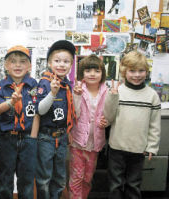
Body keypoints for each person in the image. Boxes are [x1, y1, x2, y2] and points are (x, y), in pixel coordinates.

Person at [104, 50, 161, 199]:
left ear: (146, 72)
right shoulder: (118, 91)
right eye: (132, 71)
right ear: (124, 72)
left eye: (141, 71)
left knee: (133, 184)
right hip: (117, 148)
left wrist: (152, 146)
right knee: (115, 185)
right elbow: (108, 117)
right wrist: (112, 96)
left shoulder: (152, 95)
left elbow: (154, 123)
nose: (137, 75)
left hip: (138, 149)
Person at [0, 45, 39, 199]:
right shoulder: (2, 85)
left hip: (28, 139)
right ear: (6, 66)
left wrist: (32, 137)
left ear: (29, 66)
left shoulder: (34, 85)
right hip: (7, 139)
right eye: (13, 61)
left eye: (23, 61)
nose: (18, 65)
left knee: (26, 182)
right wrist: (10, 102)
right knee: (5, 182)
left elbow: (39, 111)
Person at [36, 40, 76, 199]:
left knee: (60, 178)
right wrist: (52, 93)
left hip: (62, 137)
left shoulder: (67, 84)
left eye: (66, 61)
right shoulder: (45, 83)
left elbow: (68, 111)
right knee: (44, 177)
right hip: (46, 137)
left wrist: (69, 131)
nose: (61, 65)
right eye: (57, 61)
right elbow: (40, 110)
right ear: (49, 62)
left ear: (71, 65)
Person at [68, 54, 108, 199]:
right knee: (76, 177)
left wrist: (107, 121)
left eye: (97, 71)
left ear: (102, 74)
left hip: (95, 144)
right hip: (78, 143)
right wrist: (76, 95)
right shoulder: (78, 90)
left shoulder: (107, 91)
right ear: (82, 73)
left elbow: (109, 114)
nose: (92, 74)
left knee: (87, 179)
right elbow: (75, 114)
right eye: (88, 70)